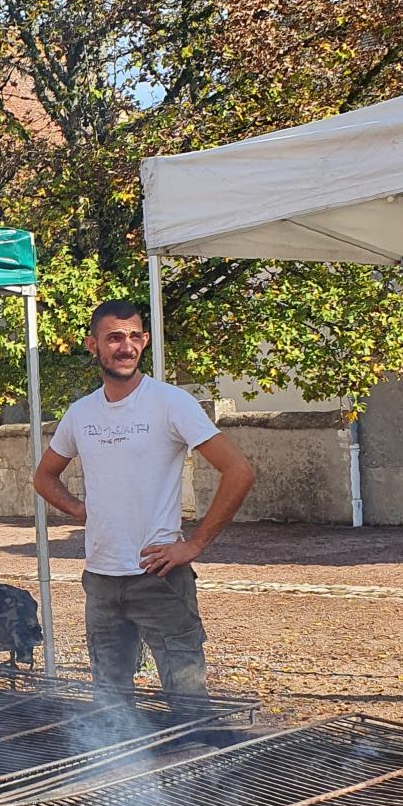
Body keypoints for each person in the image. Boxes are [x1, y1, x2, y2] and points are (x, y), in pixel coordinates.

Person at [32, 298, 255, 707]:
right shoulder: (81, 413)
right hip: (100, 578)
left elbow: (239, 471)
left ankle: (192, 764)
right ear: (92, 345)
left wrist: (195, 544)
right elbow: (44, 476)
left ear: (146, 341)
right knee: (111, 704)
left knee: (187, 700)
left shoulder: (171, 402)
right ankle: (123, 768)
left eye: (135, 336)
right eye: (114, 338)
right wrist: (82, 511)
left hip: (159, 575)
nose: (126, 346)